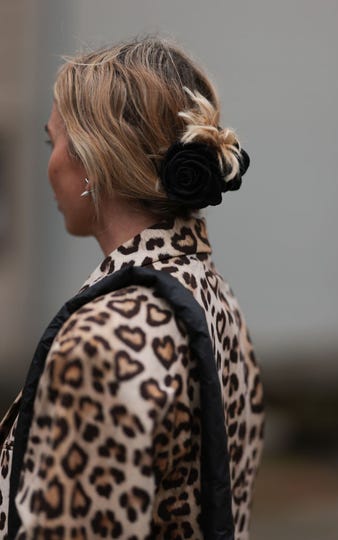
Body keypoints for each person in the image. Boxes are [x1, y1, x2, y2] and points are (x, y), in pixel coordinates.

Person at [0, 36, 264, 540]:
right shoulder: (215, 298)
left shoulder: (100, 344)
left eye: (51, 141)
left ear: (93, 161)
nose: (49, 164)